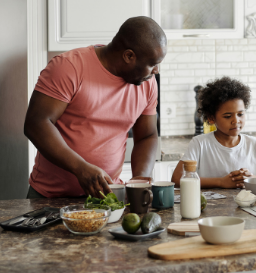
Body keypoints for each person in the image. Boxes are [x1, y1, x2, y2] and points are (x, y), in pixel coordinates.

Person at [24, 16, 167, 198]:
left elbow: (147, 136)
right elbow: (36, 123)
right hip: (50, 197)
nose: (156, 71)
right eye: (152, 64)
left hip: (107, 196)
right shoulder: (69, 68)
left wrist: (140, 180)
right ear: (128, 56)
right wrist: (80, 168)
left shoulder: (147, 83)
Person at [171, 77, 256, 189]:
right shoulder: (200, 143)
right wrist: (221, 182)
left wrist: (255, 179)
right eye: (228, 116)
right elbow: (177, 178)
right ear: (212, 118)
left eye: (240, 114)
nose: (236, 121)